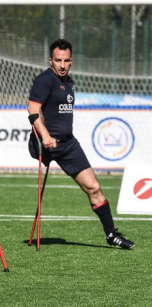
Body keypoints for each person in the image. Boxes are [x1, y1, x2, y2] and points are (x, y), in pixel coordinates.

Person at [27, 39, 135, 249]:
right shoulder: (45, 80)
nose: (62, 65)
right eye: (58, 60)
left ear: (71, 61)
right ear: (51, 60)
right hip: (46, 143)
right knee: (91, 186)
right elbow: (32, 109)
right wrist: (45, 136)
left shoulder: (70, 82)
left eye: (66, 60)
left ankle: (112, 234)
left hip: (68, 144)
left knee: (94, 187)